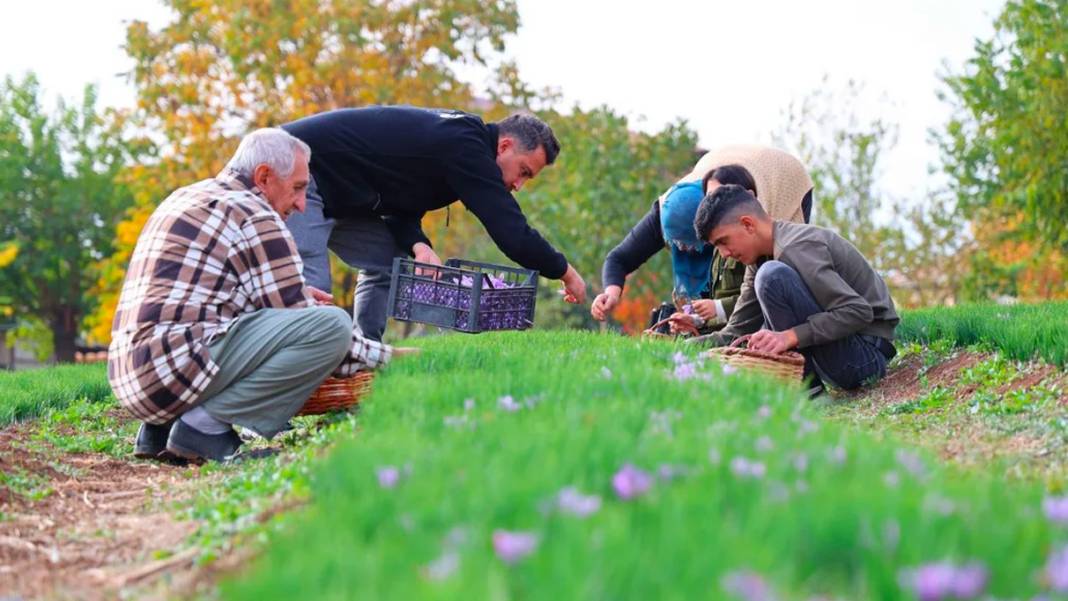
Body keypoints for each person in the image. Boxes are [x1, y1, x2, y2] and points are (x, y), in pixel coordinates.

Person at [108, 128, 411, 463]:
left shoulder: (185, 197)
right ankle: (203, 429)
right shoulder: (255, 213)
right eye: (297, 188)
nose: (300, 204)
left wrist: (277, 305)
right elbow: (325, 338)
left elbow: (196, 302)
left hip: (131, 379)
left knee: (262, 321)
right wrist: (398, 359)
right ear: (264, 177)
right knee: (333, 325)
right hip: (171, 372)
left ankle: (159, 430)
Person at [281, 106, 587, 341]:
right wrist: (565, 271)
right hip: (298, 173)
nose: (519, 185)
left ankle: (364, 356)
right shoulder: (466, 146)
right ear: (504, 145)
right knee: (311, 287)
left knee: (392, 261)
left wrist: (420, 247)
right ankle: (299, 387)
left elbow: (401, 202)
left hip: (341, 196)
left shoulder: (460, 144)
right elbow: (511, 233)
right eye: (523, 172)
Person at [692, 184, 899, 391]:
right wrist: (681, 348)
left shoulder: (796, 247)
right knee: (767, 275)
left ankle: (810, 394)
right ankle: (811, 392)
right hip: (838, 358)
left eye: (723, 242)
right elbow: (737, 330)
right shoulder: (758, 259)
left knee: (771, 276)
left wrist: (789, 336)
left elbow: (858, 312)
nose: (724, 253)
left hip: (866, 358)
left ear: (748, 224)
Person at [591, 145, 813, 332]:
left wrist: (717, 309)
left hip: (781, 176)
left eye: (698, 247)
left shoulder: (748, 219)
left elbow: (755, 294)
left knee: (773, 283)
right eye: (678, 247)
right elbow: (619, 259)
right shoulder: (669, 212)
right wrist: (611, 294)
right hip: (723, 170)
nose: (686, 252)